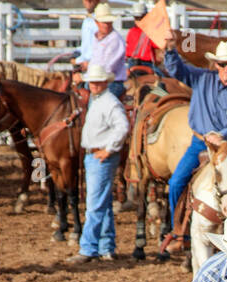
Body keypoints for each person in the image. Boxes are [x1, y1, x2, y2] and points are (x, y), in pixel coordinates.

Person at [158, 35, 227, 237]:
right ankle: (178, 231)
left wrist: (221, 135)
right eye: (223, 64)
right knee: (175, 183)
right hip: (200, 144)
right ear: (216, 64)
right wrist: (171, 51)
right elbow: (176, 70)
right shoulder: (201, 79)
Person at [70, 63, 130, 264]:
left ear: (104, 82)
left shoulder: (108, 102)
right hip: (96, 155)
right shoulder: (99, 100)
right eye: (92, 82)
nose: (94, 85)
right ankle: (106, 247)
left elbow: (122, 127)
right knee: (101, 203)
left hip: (100, 156)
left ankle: (88, 248)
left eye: (97, 82)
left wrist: (109, 149)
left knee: (94, 204)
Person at [86, 3, 126, 98]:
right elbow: (95, 60)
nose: (107, 25)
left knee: (97, 103)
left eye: (109, 22)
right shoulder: (97, 38)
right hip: (98, 78)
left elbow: (109, 67)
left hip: (113, 82)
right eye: (104, 22)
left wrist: (92, 76)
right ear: (97, 22)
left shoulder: (115, 39)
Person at [123, 2, 159, 77]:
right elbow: (128, 49)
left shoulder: (151, 32)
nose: (138, 20)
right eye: (136, 18)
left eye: (141, 18)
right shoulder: (132, 31)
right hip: (133, 61)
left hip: (147, 63)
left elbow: (158, 46)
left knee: (162, 78)